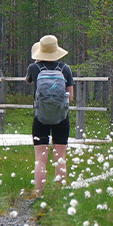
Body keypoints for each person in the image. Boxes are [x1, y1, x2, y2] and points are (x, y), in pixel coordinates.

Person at [25, 35, 74, 195]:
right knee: (60, 156)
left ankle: (39, 193)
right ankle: (59, 194)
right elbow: (70, 97)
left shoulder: (34, 68)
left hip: (40, 118)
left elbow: (29, 81)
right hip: (61, 118)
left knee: (40, 159)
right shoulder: (65, 69)